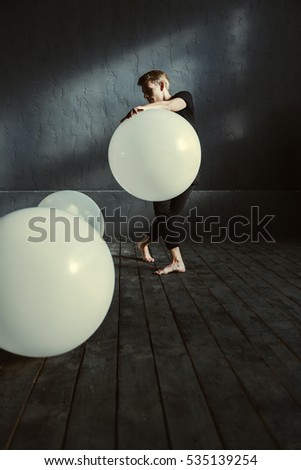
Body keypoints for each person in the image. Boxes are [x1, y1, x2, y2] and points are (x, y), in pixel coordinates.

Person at [121, 70, 198, 275]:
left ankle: (143, 242)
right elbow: (129, 133)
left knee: (169, 216)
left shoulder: (184, 98)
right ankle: (177, 261)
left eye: (149, 90)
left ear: (162, 84)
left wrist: (144, 109)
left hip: (188, 170)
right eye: (144, 93)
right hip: (160, 172)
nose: (146, 96)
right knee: (165, 215)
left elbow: (168, 106)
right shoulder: (150, 114)